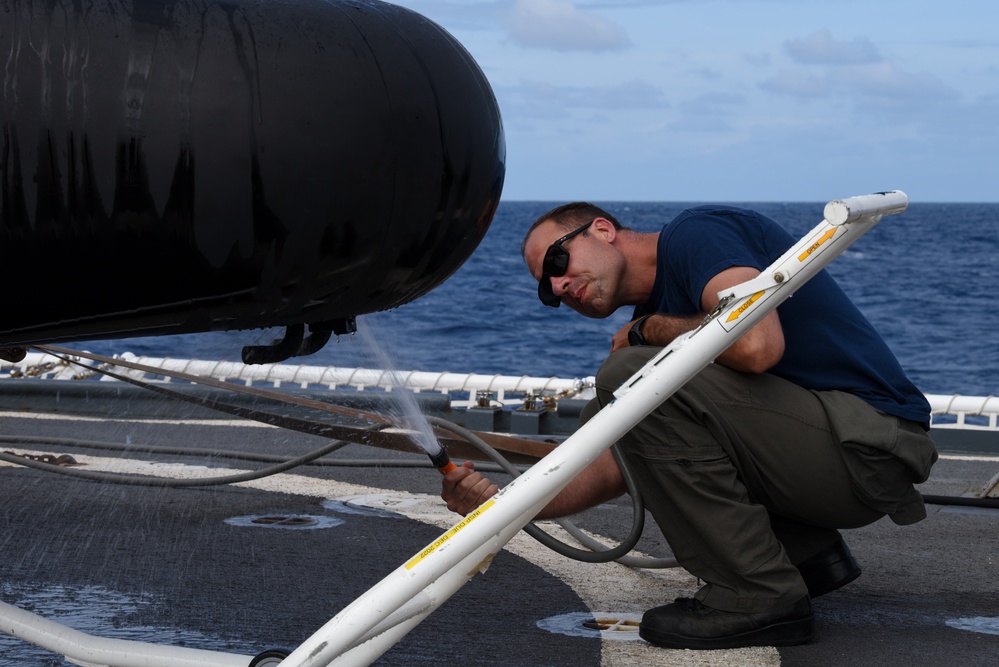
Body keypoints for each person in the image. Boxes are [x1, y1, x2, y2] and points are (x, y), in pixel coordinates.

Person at [441, 202, 938, 650]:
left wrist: (648, 332)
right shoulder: (656, 319)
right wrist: (496, 506)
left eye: (556, 263)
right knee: (630, 384)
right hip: (840, 458)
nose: (557, 287)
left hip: (869, 447)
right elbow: (608, 465)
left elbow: (757, 345)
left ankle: (757, 595)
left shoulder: (697, 236)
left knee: (628, 373)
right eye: (547, 291)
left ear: (601, 230)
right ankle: (810, 557)